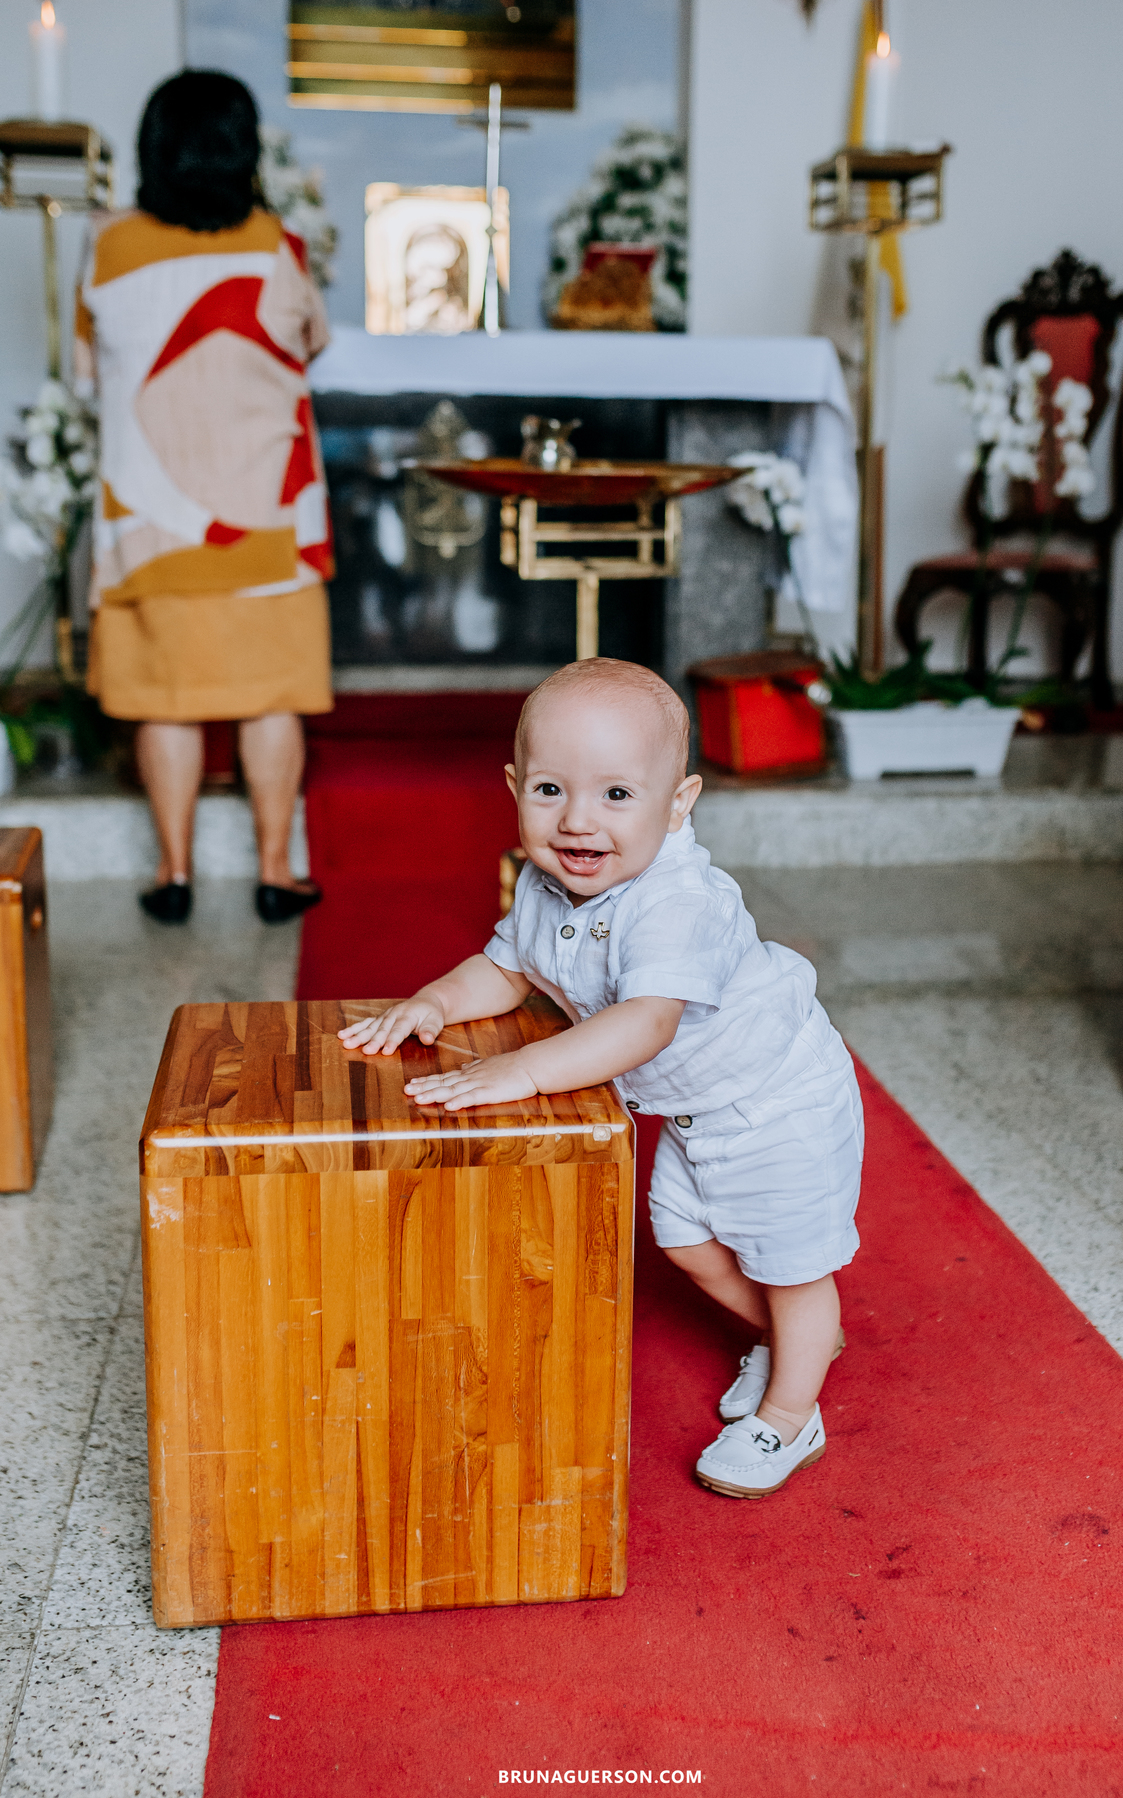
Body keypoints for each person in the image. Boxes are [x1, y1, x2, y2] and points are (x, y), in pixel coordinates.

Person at [338, 658, 863, 1499]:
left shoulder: (677, 897)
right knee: (689, 1243)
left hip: (777, 1100)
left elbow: (647, 1020)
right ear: (514, 787)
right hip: (696, 1112)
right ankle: (797, 1338)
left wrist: (526, 1070)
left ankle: (791, 1414)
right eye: (550, 790)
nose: (579, 822)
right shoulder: (553, 881)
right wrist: (434, 1003)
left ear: (679, 802)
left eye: (617, 795)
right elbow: (503, 968)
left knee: (791, 1262)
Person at [76, 70, 333, 924]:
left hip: (147, 524)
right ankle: (272, 871)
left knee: (164, 699)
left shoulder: (107, 246)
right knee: (269, 697)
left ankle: (174, 872)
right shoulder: (277, 245)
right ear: (242, 152)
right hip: (263, 520)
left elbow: (86, 372)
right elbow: (309, 344)